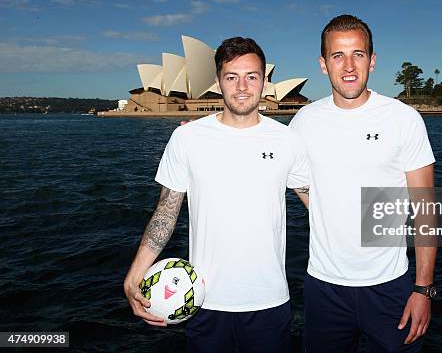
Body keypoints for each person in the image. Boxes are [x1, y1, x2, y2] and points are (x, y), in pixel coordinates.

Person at [123, 36, 310, 353]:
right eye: (231, 77)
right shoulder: (187, 138)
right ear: (217, 82)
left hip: (269, 301)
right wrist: (135, 275)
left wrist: (386, 244)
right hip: (203, 301)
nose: (242, 87)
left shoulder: (288, 140)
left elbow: (321, 208)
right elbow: (166, 213)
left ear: (264, 81)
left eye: (251, 77)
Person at [289, 14, 437, 352]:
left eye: (358, 53)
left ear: (372, 60)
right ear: (323, 64)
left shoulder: (403, 119)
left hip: (390, 287)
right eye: (337, 55)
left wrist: (423, 289)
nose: (348, 65)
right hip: (324, 288)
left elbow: (426, 210)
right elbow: (280, 170)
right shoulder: (304, 121)